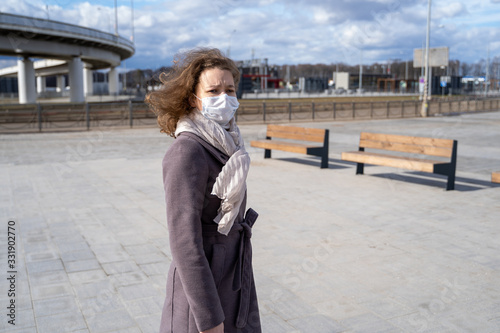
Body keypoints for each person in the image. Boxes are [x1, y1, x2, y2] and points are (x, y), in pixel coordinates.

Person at [145, 48, 261, 333]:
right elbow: (184, 243)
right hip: (204, 294)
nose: (224, 97)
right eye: (213, 91)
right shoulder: (187, 151)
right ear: (193, 99)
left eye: (230, 89)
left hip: (233, 277)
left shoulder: (229, 143)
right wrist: (209, 320)